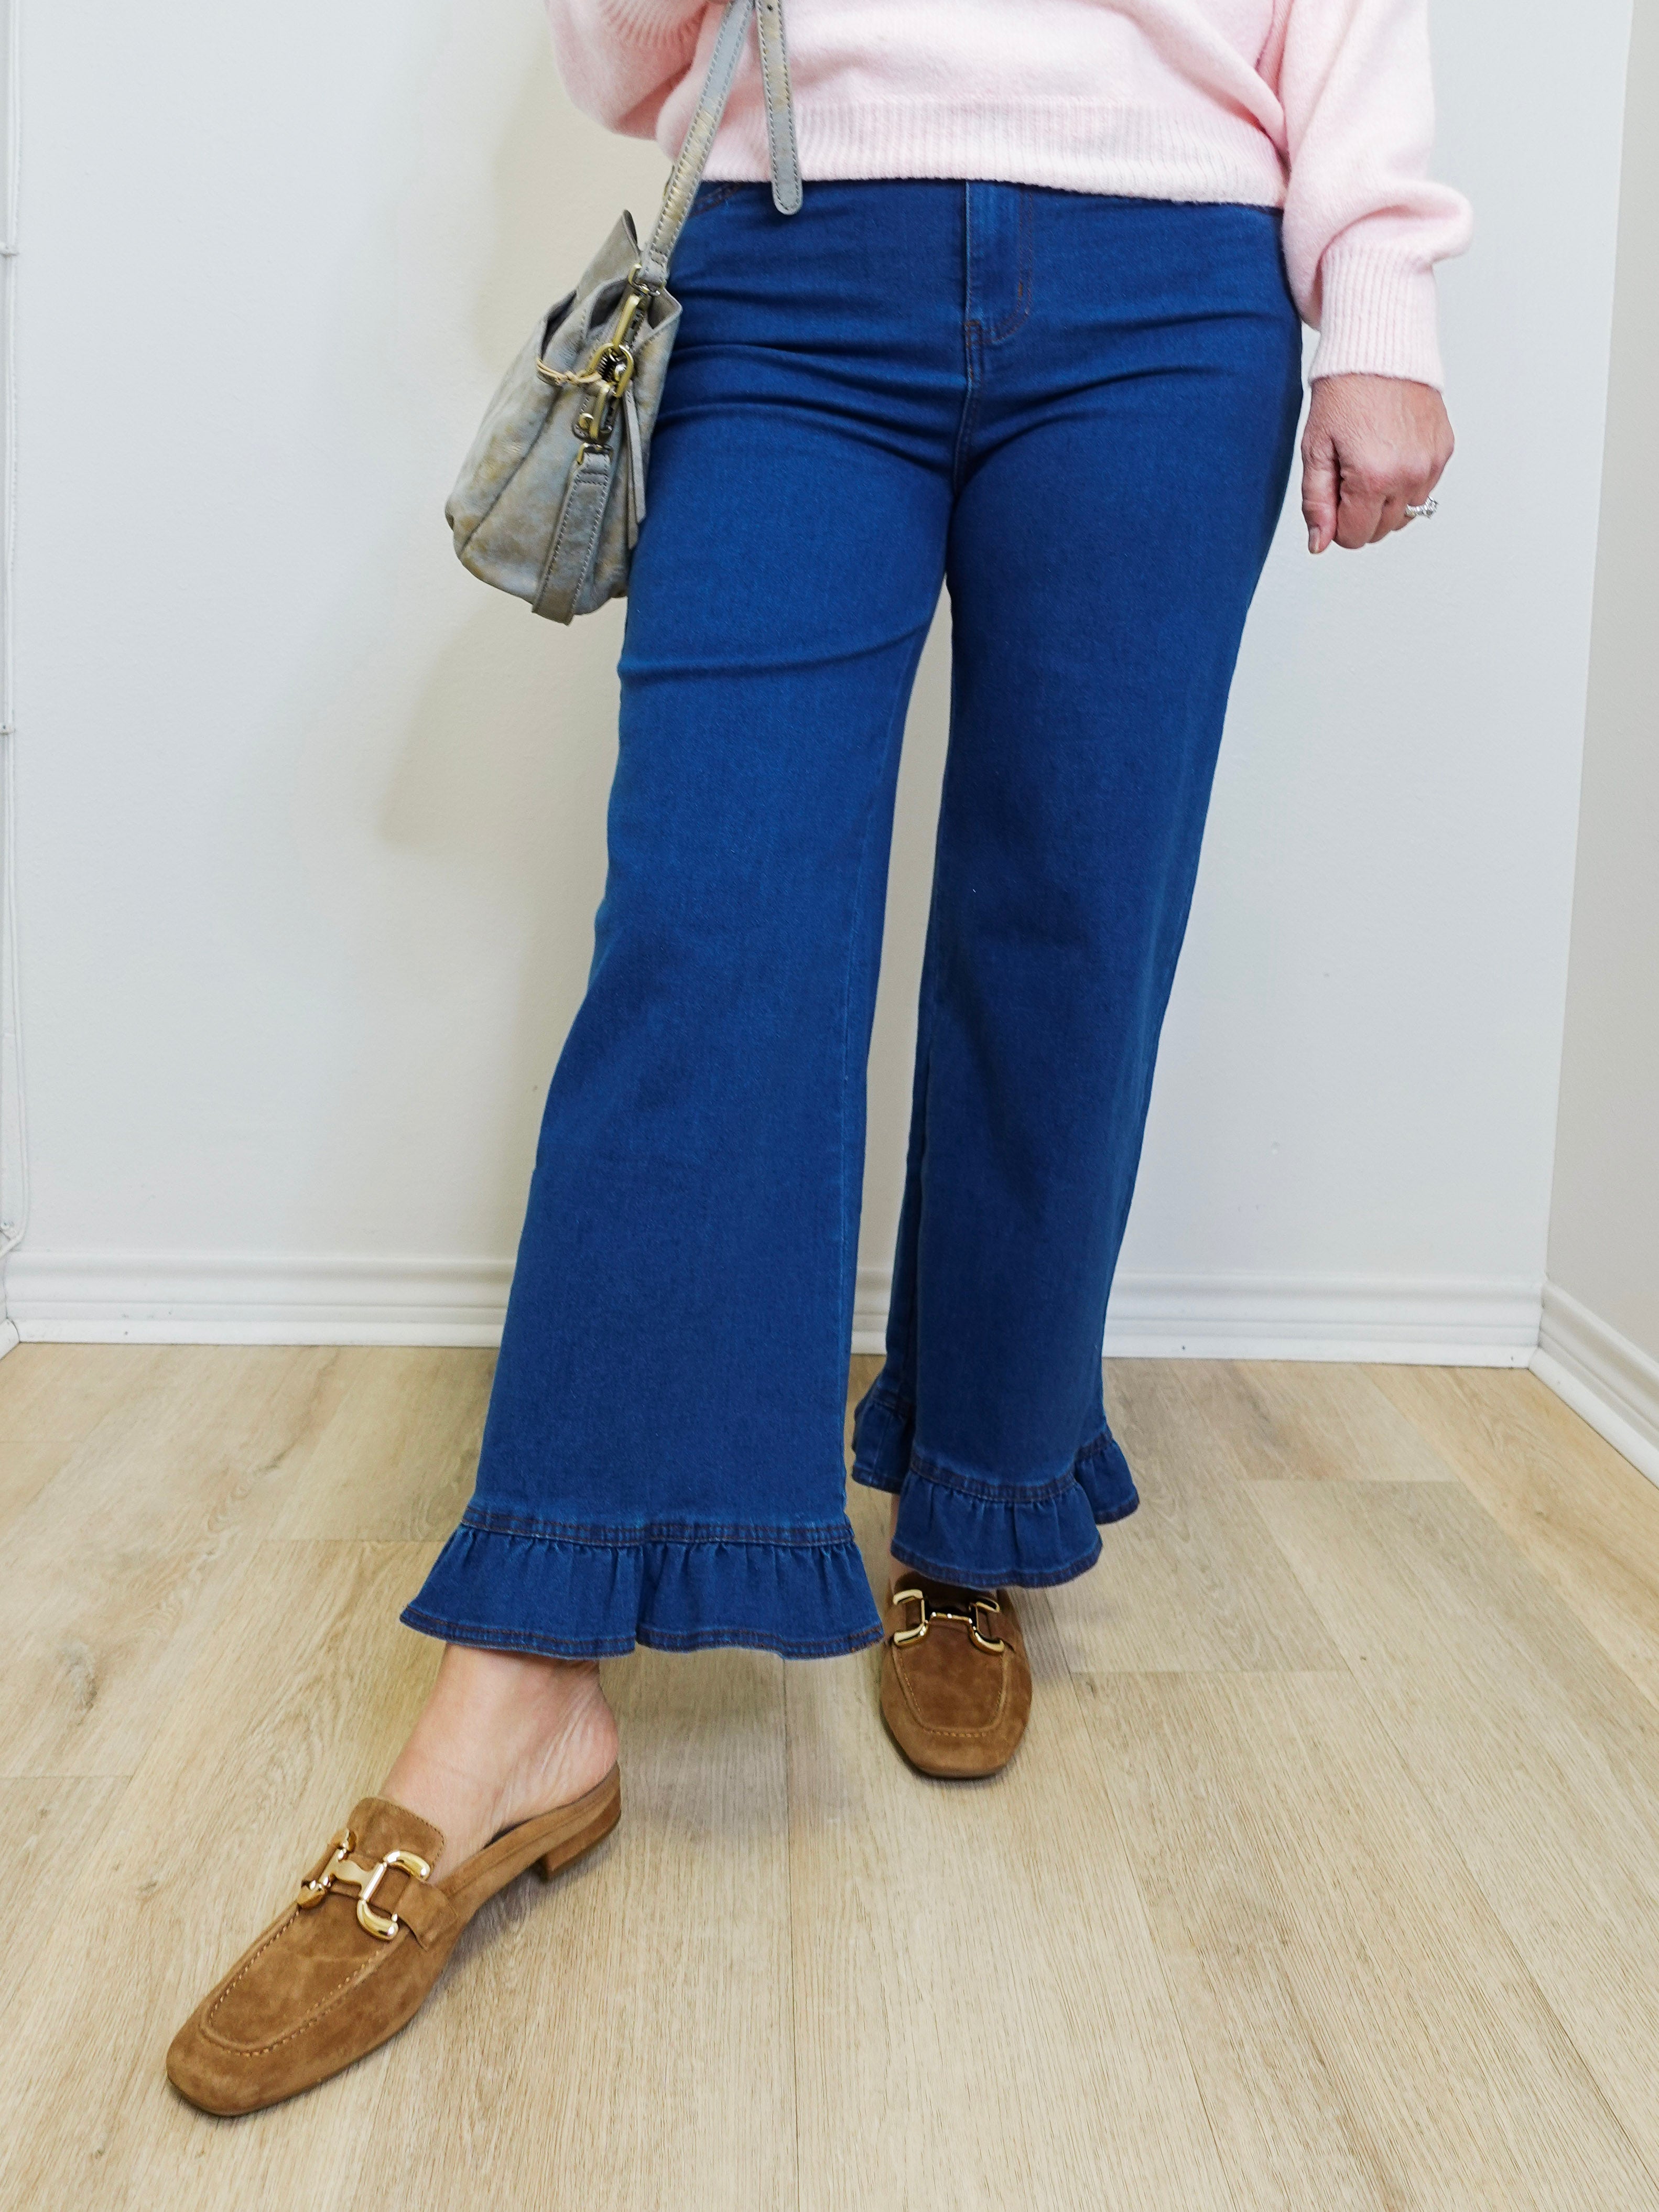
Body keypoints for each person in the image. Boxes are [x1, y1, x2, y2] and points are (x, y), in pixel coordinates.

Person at [167, 0, 1469, 2114]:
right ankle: (521, 1688)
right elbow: (615, 53)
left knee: (1072, 924)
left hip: (1175, 278)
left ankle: (975, 1501)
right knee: (710, 921)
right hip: (792, 250)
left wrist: (1382, 288)